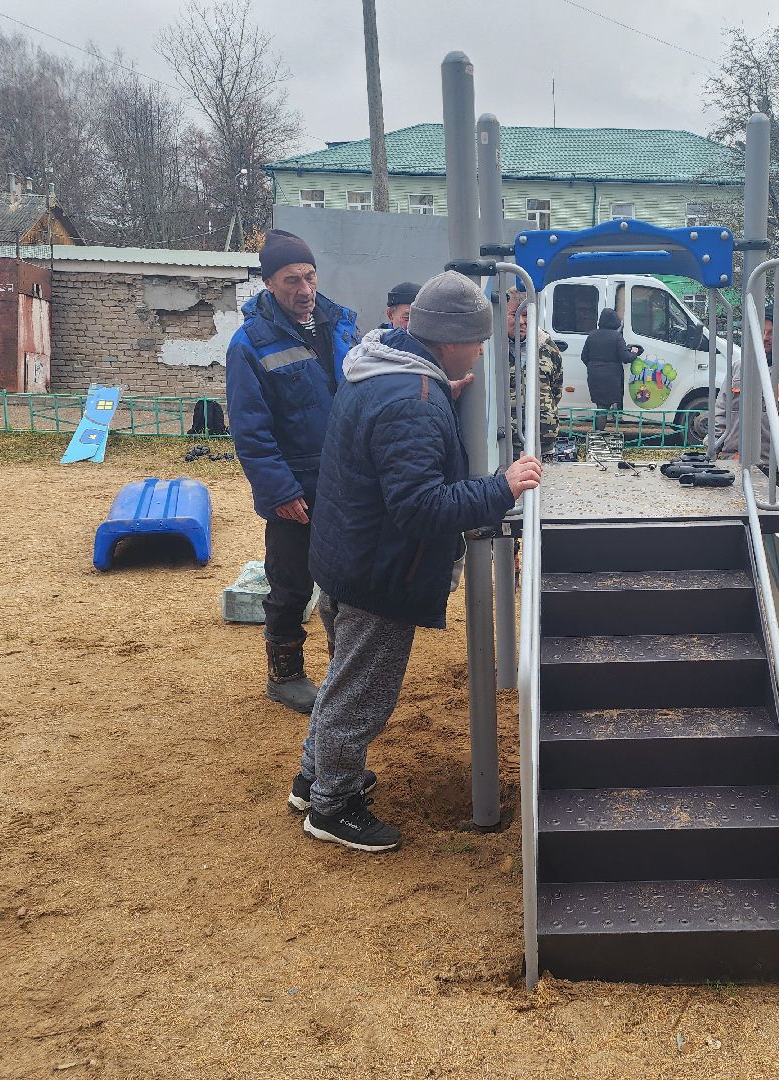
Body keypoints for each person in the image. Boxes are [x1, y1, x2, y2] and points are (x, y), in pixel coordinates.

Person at [291, 271, 542, 852]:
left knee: (343, 679)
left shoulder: (381, 370)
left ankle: (313, 777)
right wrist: (501, 487)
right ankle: (333, 804)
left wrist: (437, 396)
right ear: (452, 341)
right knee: (361, 696)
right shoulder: (414, 401)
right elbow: (419, 506)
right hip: (379, 574)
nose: (480, 351)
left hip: (345, 556)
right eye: (478, 341)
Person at [226, 229, 360, 715]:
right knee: (291, 585)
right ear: (268, 283)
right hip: (296, 488)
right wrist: (280, 491)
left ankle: (345, 671)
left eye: (309, 276)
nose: (304, 289)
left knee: (349, 581)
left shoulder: (343, 325)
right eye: (291, 280)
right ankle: (285, 676)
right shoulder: (250, 344)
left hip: (348, 481)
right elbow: (251, 430)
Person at [714, 304, 779, 467]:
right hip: (732, 462)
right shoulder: (740, 367)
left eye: (772, 332)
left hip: (772, 467)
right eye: (762, 331)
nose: (765, 337)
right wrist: (714, 447)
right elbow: (722, 410)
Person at [505, 288, 563, 456]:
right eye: (514, 315)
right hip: (507, 445)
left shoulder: (547, 347)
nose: (521, 322)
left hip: (543, 442)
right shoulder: (493, 350)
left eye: (526, 315)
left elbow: (556, 389)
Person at [581, 308, 637, 430]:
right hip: (611, 376)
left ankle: (597, 432)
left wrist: (594, 367)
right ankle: (598, 434)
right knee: (603, 407)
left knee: (601, 405)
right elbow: (626, 358)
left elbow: (584, 357)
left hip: (594, 375)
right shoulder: (616, 337)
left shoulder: (592, 335)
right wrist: (634, 353)